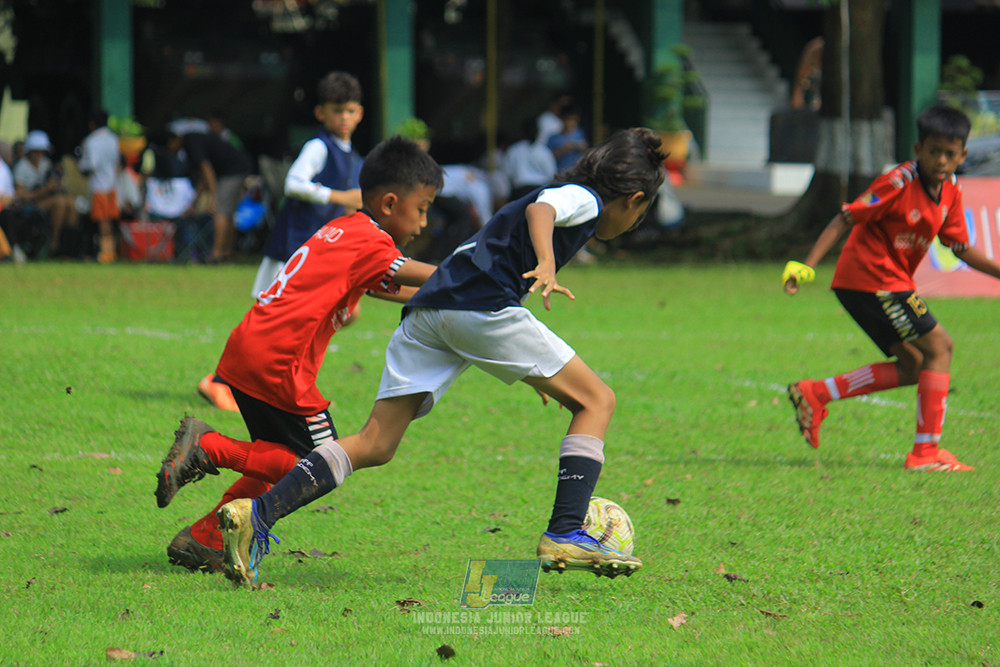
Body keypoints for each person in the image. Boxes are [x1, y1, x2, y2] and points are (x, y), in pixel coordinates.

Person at [213, 127, 667, 587]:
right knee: (597, 401)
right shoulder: (585, 200)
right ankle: (567, 529)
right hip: (480, 308)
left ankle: (259, 515)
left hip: (430, 313)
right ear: (633, 198)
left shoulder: (567, 192)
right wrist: (547, 262)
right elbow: (543, 210)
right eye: (641, 213)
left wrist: (534, 374)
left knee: (375, 442)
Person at [153, 136, 442, 573]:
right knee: (319, 462)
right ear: (389, 203)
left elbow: (390, 286)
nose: (423, 222)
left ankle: (206, 538)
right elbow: (412, 273)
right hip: (279, 362)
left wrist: (451, 295)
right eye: (421, 208)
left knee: (277, 458)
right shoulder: (371, 242)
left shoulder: (345, 229)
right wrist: (474, 276)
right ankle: (210, 447)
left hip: (250, 347)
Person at [782, 103, 1000, 472]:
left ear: (963, 155)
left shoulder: (950, 192)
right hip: (871, 278)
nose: (942, 160)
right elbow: (845, 216)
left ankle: (817, 392)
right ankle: (925, 454)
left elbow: (960, 247)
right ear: (918, 150)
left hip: (882, 283)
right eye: (934, 151)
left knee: (915, 365)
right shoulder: (899, 183)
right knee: (940, 346)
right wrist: (806, 265)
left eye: (950, 153)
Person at [198, 71, 366, 412]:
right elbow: (293, 183)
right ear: (321, 113)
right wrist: (340, 195)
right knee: (271, 320)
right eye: (337, 111)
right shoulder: (319, 147)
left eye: (350, 110)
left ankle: (274, 381)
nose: (344, 118)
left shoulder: (352, 155)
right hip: (294, 247)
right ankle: (218, 381)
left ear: (360, 113)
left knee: (344, 312)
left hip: (318, 253)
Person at [182, 126, 252, 263]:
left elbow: (207, 171)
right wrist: (193, 202)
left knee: (221, 212)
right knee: (228, 213)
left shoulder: (191, 143)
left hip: (233, 170)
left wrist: (213, 199)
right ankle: (226, 252)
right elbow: (204, 178)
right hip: (239, 167)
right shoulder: (196, 139)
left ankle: (217, 255)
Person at [13, 130, 78, 256]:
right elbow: (21, 195)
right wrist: (45, 189)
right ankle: (54, 242)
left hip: (46, 199)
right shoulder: (22, 167)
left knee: (69, 202)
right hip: (29, 205)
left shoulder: (46, 164)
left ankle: (70, 244)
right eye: (36, 151)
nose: (40, 155)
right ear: (29, 151)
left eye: (42, 151)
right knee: (59, 202)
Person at [78, 110, 122, 263]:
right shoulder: (113, 139)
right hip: (112, 185)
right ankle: (112, 250)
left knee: (103, 220)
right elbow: (117, 163)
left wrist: (80, 165)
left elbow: (91, 164)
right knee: (109, 219)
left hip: (99, 185)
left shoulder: (91, 141)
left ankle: (106, 253)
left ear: (92, 124)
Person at [503, 117, 557, 200]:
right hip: (540, 192)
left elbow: (507, 173)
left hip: (520, 192)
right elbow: (551, 174)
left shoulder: (514, 150)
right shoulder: (543, 151)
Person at [546, 102, 588, 171]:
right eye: (569, 120)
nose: (572, 123)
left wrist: (579, 146)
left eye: (575, 120)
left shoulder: (579, 133)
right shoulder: (553, 137)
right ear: (563, 120)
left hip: (576, 172)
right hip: (560, 172)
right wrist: (564, 149)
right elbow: (548, 158)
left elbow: (585, 151)